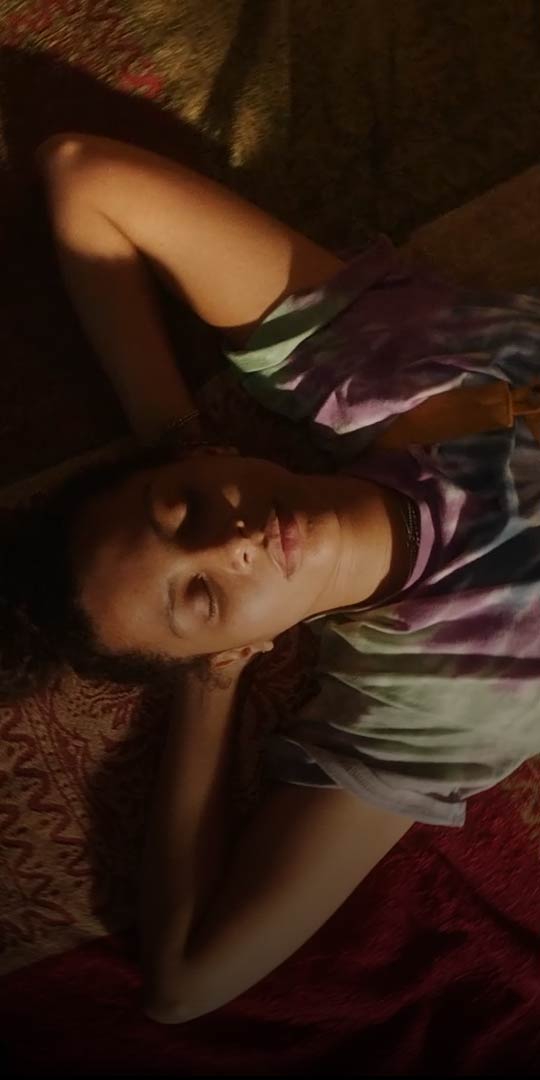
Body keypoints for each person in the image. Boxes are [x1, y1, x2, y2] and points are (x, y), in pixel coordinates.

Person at [4, 132, 540, 1022]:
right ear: (238, 644)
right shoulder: (425, 708)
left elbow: (80, 173)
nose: (234, 543)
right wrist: (211, 692)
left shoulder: (366, 365)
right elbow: (185, 981)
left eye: (182, 507)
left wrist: (172, 438)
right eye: (201, 597)